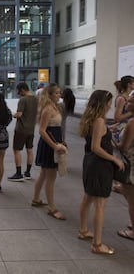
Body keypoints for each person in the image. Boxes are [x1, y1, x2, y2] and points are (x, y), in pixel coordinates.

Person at [78, 90, 123, 255]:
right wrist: (114, 159)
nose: (111, 105)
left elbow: (98, 136)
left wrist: (109, 129)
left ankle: (83, 230)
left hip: (90, 163)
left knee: (88, 197)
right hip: (99, 165)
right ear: (103, 103)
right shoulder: (98, 121)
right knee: (100, 204)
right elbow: (96, 147)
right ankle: (97, 244)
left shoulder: (92, 120)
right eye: (109, 102)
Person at [32, 83, 67, 219]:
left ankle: (36, 198)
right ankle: (52, 208)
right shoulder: (48, 109)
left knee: (44, 174)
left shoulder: (55, 107)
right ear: (50, 95)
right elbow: (42, 130)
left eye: (59, 92)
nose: (59, 95)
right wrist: (54, 146)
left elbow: (57, 127)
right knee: (50, 177)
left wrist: (61, 141)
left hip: (54, 142)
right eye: (57, 93)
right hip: (49, 145)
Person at [8, 82, 38, 181]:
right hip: (31, 129)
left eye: (18, 91)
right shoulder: (35, 99)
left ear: (22, 90)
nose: (18, 93)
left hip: (21, 129)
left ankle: (18, 173)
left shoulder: (23, 99)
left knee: (17, 150)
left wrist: (13, 115)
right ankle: (28, 172)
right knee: (29, 150)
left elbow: (19, 114)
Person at [111, 76, 134, 193]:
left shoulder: (128, 97)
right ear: (130, 84)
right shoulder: (122, 99)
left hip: (128, 127)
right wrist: (130, 113)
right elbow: (117, 118)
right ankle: (119, 182)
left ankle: (121, 183)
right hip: (122, 128)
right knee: (121, 155)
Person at [117, 93, 134, 241]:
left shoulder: (132, 123)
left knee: (131, 198)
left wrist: (113, 143)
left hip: (131, 164)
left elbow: (124, 146)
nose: (126, 103)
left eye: (129, 101)